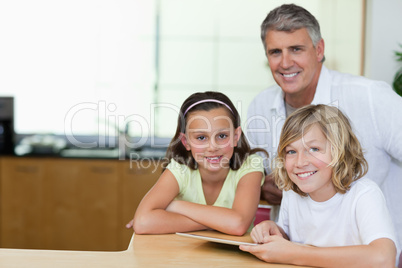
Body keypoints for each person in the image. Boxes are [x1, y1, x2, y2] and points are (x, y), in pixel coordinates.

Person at [246, 3, 402, 263]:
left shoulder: (371, 98)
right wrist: (262, 189)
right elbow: (258, 181)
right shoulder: (260, 106)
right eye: (275, 52)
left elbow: (381, 256)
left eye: (296, 49)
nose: (285, 62)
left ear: (319, 50)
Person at [241, 104, 398, 267]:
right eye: (291, 152)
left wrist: (294, 253)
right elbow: (289, 240)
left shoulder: (364, 194)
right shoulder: (292, 193)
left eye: (314, 149)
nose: (300, 162)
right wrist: (274, 229)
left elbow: (383, 258)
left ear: (340, 152)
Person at [126, 91, 267, 235]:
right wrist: (220, 223)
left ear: (236, 136)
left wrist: (176, 206)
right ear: (186, 142)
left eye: (222, 136)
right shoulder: (180, 169)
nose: (212, 147)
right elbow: (143, 222)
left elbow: (237, 224)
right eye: (201, 138)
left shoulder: (251, 165)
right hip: (183, 255)